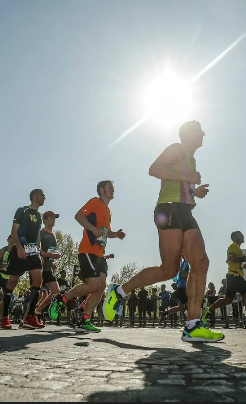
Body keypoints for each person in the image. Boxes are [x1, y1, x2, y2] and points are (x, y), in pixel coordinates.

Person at [102, 121, 223, 343]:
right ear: (188, 134)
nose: (203, 133)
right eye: (199, 130)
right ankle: (119, 292)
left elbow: (178, 182)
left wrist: (195, 191)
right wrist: (189, 179)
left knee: (201, 262)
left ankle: (193, 325)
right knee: (169, 269)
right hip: (168, 209)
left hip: (185, 211)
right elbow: (154, 169)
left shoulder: (191, 158)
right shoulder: (176, 149)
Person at [49, 181, 126, 333]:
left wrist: (115, 234)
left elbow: (105, 231)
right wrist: (93, 229)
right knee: (93, 285)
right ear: (102, 190)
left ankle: (84, 320)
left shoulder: (108, 211)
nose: (113, 190)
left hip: (100, 254)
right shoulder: (95, 202)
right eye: (110, 188)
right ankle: (61, 300)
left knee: (101, 286)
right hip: (88, 251)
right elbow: (78, 216)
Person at [203, 231, 246, 334]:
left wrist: (242, 265)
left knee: (230, 299)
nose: (243, 236)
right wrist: (242, 258)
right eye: (240, 235)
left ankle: (208, 310)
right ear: (235, 237)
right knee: (245, 297)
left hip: (236, 275)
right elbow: (230, 259)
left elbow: (232, 262)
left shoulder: (237, 247)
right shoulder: (233, 246)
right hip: (234, 276)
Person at [1, 189, 46, 330]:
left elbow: (37, 235)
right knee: (13, 282)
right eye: (41, 195)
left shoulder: (40, 215)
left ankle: (29, 317)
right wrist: (19, 248)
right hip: (20, 249)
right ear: (34, 197)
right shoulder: (22, 210)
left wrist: (39, 251)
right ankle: (4, 317)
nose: (44, 197)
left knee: (38, 281)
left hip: (34, 252)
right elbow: (14, 231)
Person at [34, 211, 63, 320]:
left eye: (54, 218)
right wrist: (49, 255)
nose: (53, 220)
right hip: (39, 268)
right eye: (51, 218)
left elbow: (51, 251)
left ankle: (37, 310)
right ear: (44, 220)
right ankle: (31, 313)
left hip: (48, 267)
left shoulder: (53, 234)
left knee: (56, 292)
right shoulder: (41, 233)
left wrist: (52, 261)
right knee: (37, 293)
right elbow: (37, 249)